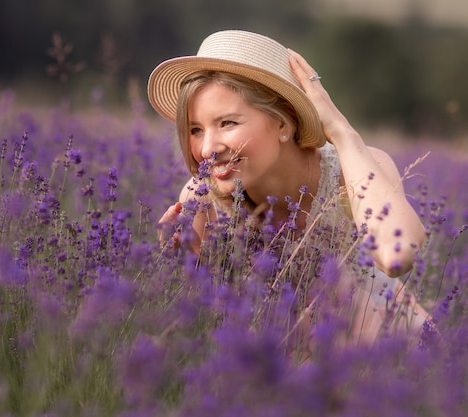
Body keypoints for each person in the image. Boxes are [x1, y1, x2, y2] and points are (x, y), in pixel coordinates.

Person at [148, 30, 428, 344]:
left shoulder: (353, 172)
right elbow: (202, 331)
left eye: (227, 123)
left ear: (283, 123)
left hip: (391, 351)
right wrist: (190, 262)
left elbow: (397, 254)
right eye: (196, 129)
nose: (207, 148)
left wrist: (342, 132)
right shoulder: (202, 198)